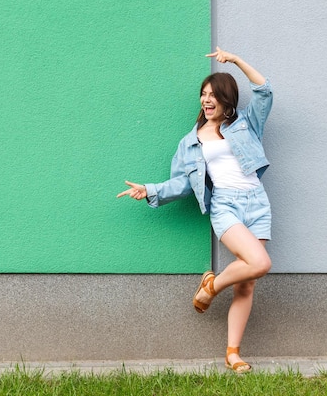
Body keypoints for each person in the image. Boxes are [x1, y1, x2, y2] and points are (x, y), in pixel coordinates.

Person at [117, 47, 274, 373]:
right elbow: (183, 184)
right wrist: (150, 190)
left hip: (258, 204)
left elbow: (264, 91)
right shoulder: (191, 142)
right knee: (259, 264)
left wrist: (236, 61)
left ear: (227, 100)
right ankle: (212, 287)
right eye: (203, 94)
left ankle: (232, 352)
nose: (207, 100)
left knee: (247, 283)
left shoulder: (246, 123)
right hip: (226, 206)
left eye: (214, 95)